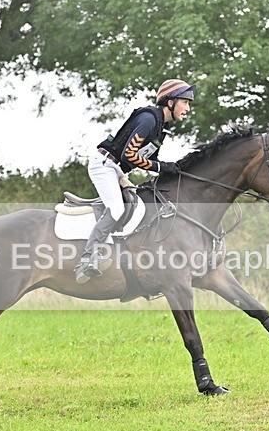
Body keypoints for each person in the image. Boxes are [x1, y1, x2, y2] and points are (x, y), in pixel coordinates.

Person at [74, 79, 196, 284]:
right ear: (170, 102)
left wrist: (171, 169)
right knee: (116, 209)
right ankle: (86, 259)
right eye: (185, 102)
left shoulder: (161, 127)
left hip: (119, 171)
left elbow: (150, 158)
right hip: (105, 165)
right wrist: (160, 167)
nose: (188, 108)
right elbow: (130, 155)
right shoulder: (149, 119)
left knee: (137, 205)